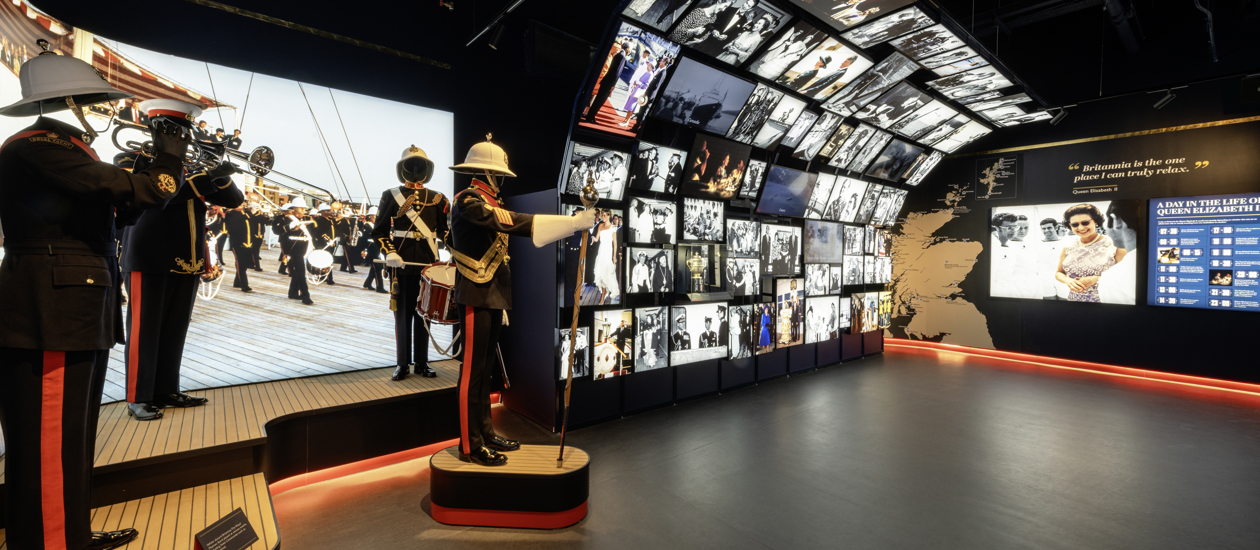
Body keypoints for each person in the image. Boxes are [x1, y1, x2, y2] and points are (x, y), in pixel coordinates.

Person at [0, 44, 188, 550]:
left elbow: (116, 212)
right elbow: (143, 193)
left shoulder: (65, 149)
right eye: (93, 100)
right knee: (50, 435)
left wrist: (151, 170)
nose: (102, 111)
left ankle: (67, 533)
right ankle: (53, 541)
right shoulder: (36, 145)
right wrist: (167, 158)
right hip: (52, 307)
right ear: (67, 101)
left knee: (70, 435)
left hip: (73, 304)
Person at [447, 136, 596, 466]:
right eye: (497, 175)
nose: (500, 180)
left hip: (490, 294)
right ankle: (469, 446)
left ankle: (484, 433)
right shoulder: (469, 201)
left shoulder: (484, 200)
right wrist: (570, 224)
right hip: (474, 294)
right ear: (487, 174)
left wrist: (498, 302)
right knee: (472, 373)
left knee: (485, 373)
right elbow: (511, 223)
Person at [117, 100, 243, 422]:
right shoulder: (134, 159)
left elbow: (234, 200)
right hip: (149, 255)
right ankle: (137, 395)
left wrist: (220, 174)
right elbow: (164, 193)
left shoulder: (194, 168)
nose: (183, 138)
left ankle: (165, 389)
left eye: (184, 132)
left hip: (187, 260)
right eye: (175, 132)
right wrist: (206, 176)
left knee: (174, 329)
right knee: (144, 331)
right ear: (156, 131)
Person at [373, 145, 450, 381]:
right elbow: (379, 232)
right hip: (401, 265)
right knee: (403, 315)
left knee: (424, 315)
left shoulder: (438, 199)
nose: (415, 169)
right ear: (403, 168)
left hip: (428, 266)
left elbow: (445, 233)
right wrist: (389, 252)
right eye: (411, 164)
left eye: (420, 165)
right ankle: (402, 363)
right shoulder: (390, 195)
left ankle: (422, 362)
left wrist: (456, 254)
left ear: (427, 169)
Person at [1056, 203, 1128, 303]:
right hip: (1074, 300)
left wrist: (1096, 279)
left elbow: (1126, 277)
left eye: (1085, 223)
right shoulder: (1068, 247)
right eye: (1075, 224)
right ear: (1070, 225)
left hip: (1104, 300)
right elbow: (1059, 273)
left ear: (1096, 222)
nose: (1080, 228)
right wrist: (1067, 280)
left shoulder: (1114, 245)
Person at [584, 41, 629, 123]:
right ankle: (590, 117)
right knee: (600, 101)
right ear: (627, 49)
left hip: (605, 81)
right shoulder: (622, 56)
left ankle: (590, 116)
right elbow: (617, 73)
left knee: (597, 100)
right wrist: (613, 85)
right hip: (608, 83)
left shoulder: (617, 55)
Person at [282, 198, 316, 304]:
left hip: (306, 247)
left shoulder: (307, 218)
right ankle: (305, 296)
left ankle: (292, 293)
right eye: (301, 208)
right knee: (301, 273)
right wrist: (289, 227)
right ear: (294, 208)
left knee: (297, 272)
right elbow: (277, 230)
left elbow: (314, 233)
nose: (303, 209)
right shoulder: (286, 219)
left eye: (304, 208)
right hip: (293, 248)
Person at [589, 209, 620, 304]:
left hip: (608, 253)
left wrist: (614, 257)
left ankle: (603, 296)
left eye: (605, 215)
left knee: (607, 273)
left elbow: (615, 243)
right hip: (601, 252)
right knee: (601, 273)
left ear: (609, 216)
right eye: (602, 215)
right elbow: (597, 238)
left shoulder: (612, 228)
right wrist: (592, 238)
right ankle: (604, 292)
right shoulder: (600, 226)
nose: (603, 217)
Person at [361, 207, 388, 292]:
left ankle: (367, 283)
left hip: (377, 249)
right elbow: (365, 239)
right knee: (377, 267)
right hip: (371, 249)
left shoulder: (376, 226)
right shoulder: (366, 226)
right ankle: (379, 287)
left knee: (375, 268)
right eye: (375, 216)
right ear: (371, 216)